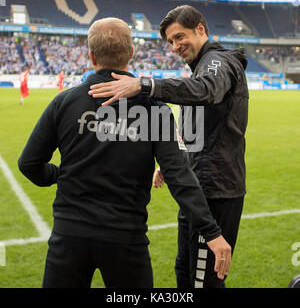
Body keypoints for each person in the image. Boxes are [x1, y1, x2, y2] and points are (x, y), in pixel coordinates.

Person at [18, 17, 231, 288]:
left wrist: (60, 174)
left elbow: (29, 164)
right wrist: (211, 231)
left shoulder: (65, 102)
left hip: (69, 236)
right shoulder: (156, 110)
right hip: (126, 240)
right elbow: (179, 177)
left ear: (91, 55)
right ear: (131, 53)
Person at [88, 5, 249, 288]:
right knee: (185, 274)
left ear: (200, 29)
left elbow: (206, 90)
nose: (175, 46)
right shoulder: (200, 67)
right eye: (171, 41)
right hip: (197, 189)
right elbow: (202, 120)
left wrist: (144, 85)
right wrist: (177, 159)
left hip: (217, 191)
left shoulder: (218, 61)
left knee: (204, 281)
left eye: (179, 37)